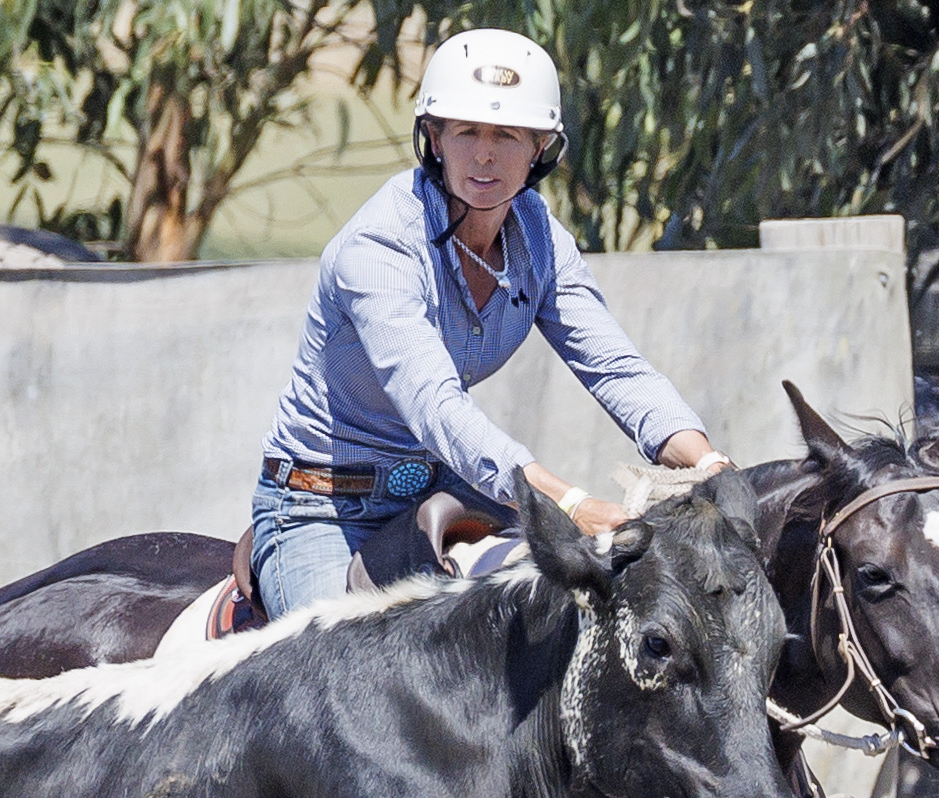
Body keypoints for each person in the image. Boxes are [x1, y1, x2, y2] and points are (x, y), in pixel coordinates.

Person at [253, 28, 727, 617]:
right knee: (333, 661)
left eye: (506, 135)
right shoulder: (379, 246)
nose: (484, 155)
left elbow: (616, 368)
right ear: (434, 139)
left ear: (539, 148)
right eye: (466, 132)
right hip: (322, 508)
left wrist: (710, 464)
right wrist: (570, 503)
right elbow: (435, 405)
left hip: (443, 488)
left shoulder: (540, 236)